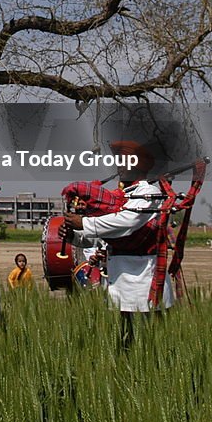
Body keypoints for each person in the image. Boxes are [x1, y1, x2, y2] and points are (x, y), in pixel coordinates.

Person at [61, 140, 172, 344]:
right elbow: (103, 236)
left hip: (144, 280)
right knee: (127, 341)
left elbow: (126, 222)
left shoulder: (150, 194)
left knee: (150, 342)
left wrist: (84, 222)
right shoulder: (119, 197)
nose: (119, 166)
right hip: (121, 281)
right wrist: (74, 236)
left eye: (125, 161)